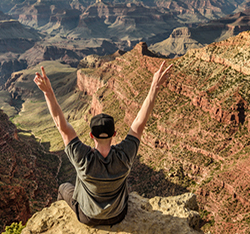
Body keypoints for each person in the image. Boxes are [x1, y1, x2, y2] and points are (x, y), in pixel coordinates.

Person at [33, 61, 173, 226]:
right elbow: (139, 123)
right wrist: (154, 87)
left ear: (91, 135)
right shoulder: (125, 155)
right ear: (114, 134)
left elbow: (62, 126)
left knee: (64, 187)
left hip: (87, 217)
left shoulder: (82, 158)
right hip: (118, 216)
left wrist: (48, 92)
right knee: (126, 186)